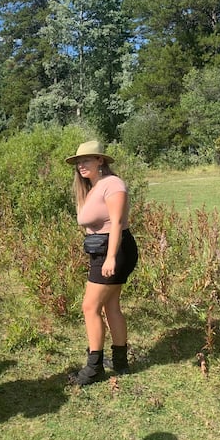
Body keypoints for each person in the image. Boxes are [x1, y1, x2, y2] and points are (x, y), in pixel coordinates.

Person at [65, 141, 138, 386]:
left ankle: (94, 368)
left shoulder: (112, 184)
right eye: (78, 162)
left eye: (86, 160)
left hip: (113, 249)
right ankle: (120, 363)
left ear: (100, 160)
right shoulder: (91, 188)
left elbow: (117, 223)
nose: (81, 165)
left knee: (90, 307)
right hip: (101, 249)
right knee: (111, 306)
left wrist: (110, 258)